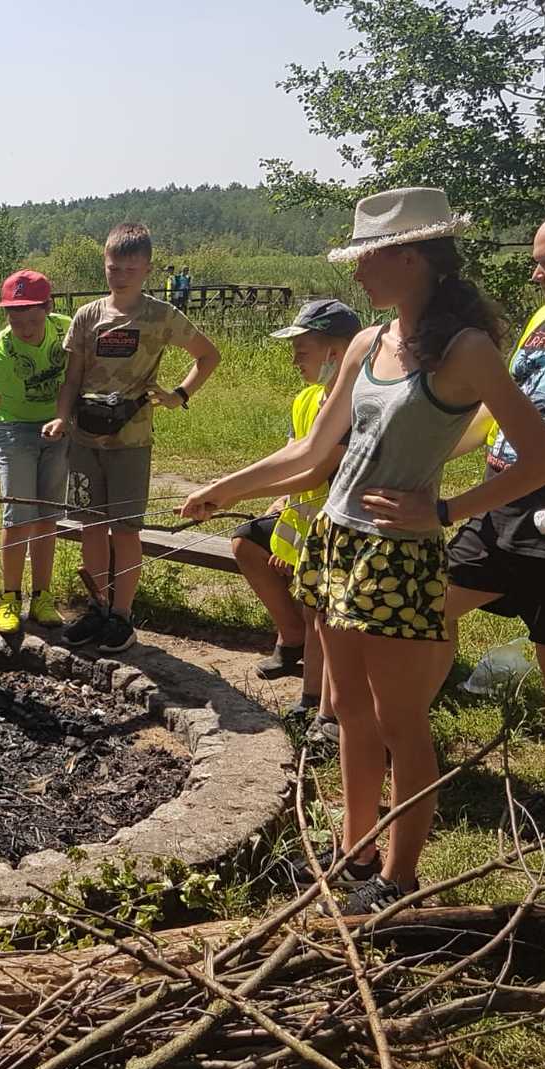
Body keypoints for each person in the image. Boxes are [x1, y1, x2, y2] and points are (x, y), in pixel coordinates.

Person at [181, 187, 545, 914]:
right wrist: (225, 488)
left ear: (411, 258)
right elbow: (314, 452)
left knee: (400, 721)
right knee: (348, 707)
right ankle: (353, 852)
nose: (357, 274)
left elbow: (538, 459)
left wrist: (444, 508)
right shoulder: (367, 342)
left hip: (397, 557)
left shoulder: (466, 350)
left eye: (369, 258)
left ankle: (398, 875)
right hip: (337, 542)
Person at [437, 203, 545, 833]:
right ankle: (408, 732)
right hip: (498, 509)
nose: (535, 274)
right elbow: (504, 408)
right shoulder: (544, 319)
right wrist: (433, 451)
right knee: (429, 608)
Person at [54, 223, 222, 652]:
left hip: (131, 440)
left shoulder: (160, 316)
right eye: (113, 267)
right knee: (90, 526)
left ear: (147, 268)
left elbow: (207, 355)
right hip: (85, 438)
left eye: (130, 268)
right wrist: (60, 419)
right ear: (104, 266)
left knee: (126, 530)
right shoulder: (88, 315)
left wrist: (178, 394)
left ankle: (122, 618)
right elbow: (72, 377)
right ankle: (96, 609)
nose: (121, 275)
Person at [229, 300, 361, 751]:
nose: (294, 359)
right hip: (303, 524)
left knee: (319, 612)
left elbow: (313, 471)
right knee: (247, 542)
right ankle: (299, 661)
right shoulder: (306, 399)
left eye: (302, 349)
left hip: (338, 529)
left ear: (334, 351)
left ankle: (316, 705)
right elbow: (288, 463)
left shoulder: (360, 403)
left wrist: (224, 492)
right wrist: (273, 506)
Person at [0, 270, 70, 634]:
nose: (23, 325)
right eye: (14, 316)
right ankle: (10, 598)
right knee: (17, 516)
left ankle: (42, 596)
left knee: (46, 517)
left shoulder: (66, 332)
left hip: (57, 428)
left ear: (48, 308)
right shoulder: (2, 349)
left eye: (32, 316)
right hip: (14, 431)